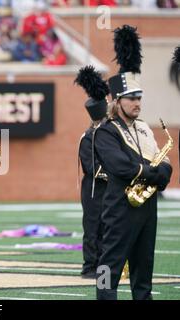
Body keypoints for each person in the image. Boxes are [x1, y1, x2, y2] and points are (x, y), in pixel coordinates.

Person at [94, 25, 173, 300]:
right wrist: (153, 171)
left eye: (139, 97)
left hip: (146, 208)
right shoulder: (106, 131)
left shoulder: (144, 128)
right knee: (109, 266)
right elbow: (121, 167)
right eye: (131, 98)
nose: (138, 102)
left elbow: (166, 167)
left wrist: (157, 171)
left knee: (144, 271)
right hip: (119, 209)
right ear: (117, 100)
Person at [74, 66, 109, 279]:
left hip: (110, 188)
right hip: (94, 190)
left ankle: (105, 266)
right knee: (93, 227)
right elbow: (92, 167)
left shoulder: (110, 135)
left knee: (108, 228)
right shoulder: (88, 137)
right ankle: (89, 267)